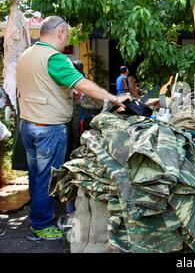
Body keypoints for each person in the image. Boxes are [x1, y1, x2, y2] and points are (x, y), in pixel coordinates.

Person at [16, 16, 130, 241]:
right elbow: (84, 84)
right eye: (66, 35)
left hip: (27, 125)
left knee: (36, 176)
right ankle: (41, 225)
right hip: (47, 128)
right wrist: (113, 98)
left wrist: (68, 92)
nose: (66, 39)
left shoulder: (26, 55)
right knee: (47, 178)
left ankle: (37, 219)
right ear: (59, 33)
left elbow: (40, 85)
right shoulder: (54, 58)